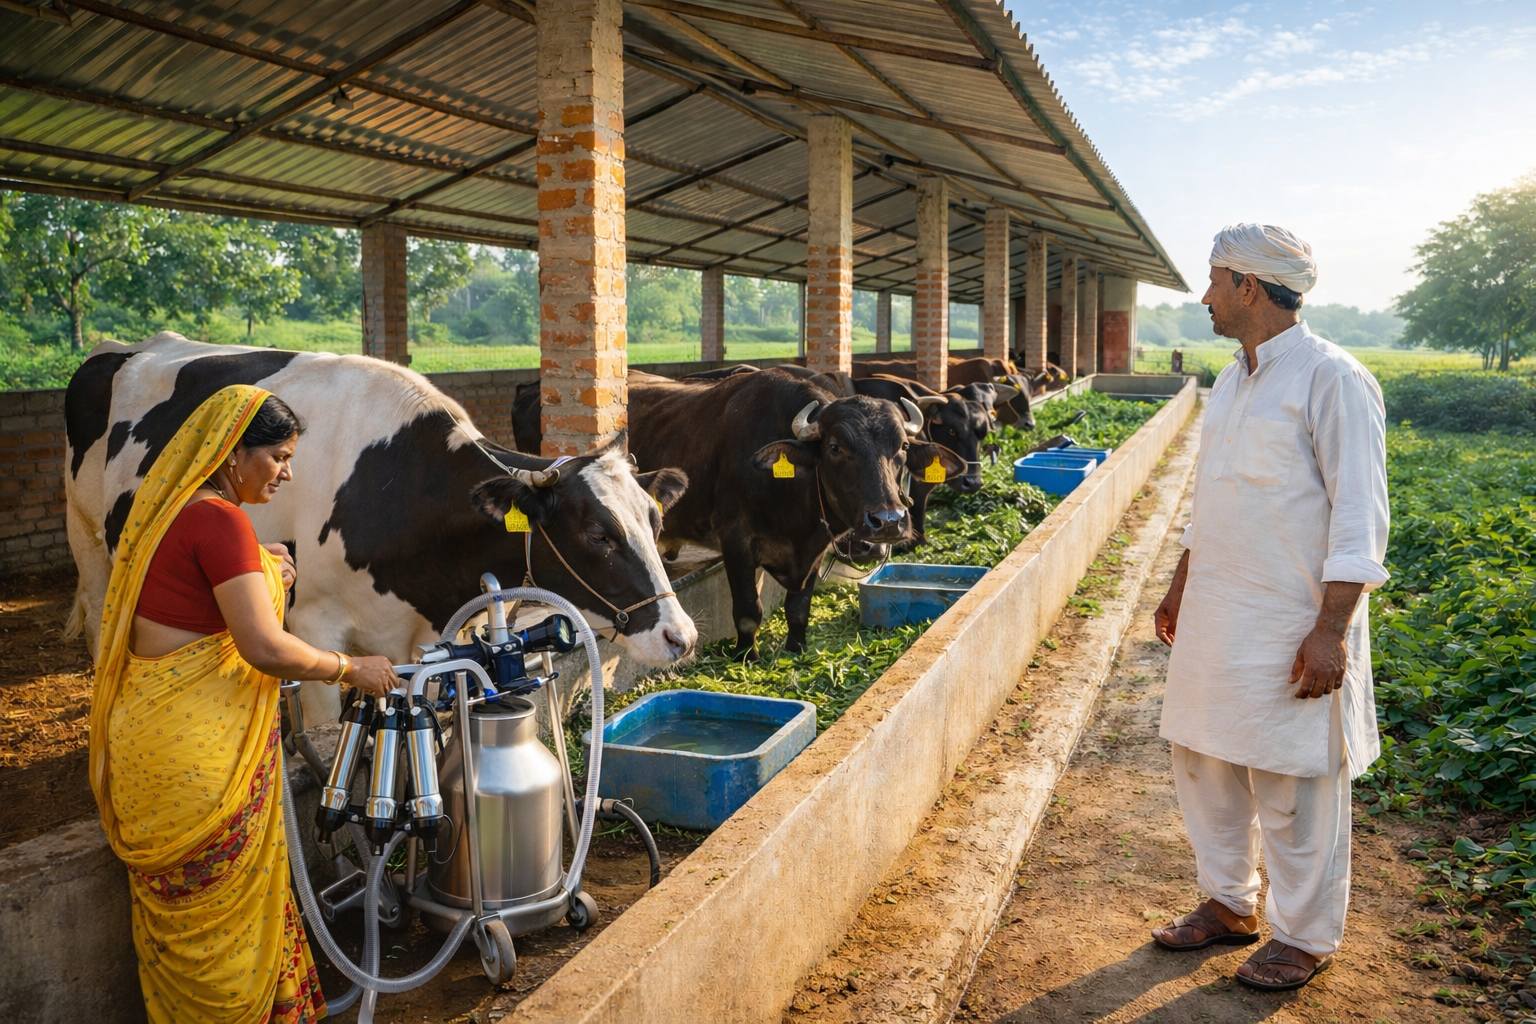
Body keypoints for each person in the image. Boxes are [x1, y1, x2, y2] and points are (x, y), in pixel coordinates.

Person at [88, 384, 396, 1024]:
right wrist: (351, 668)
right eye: (279, 456)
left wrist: (263, 568)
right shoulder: (221, 520)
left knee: (186, 935)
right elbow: (264, 648)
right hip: (200, 763)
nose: (288, 472)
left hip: (149, 749)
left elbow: (194, 600)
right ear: (234, 454)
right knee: (225, 938)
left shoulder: (171, 509)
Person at [1149, 224, 1389, 992]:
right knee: (1205, 756)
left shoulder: (1332, 379)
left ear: (1250, 286)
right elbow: (1212, 493)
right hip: (1219, 608)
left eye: (1215, 280)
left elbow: (1359, 517)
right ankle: (1229, 902)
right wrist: (1183, 578)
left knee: (1294, 780)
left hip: (1291, 617)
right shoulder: (1231, 378)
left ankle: (1305, 936)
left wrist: (1330, 630)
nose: (1206, 295)